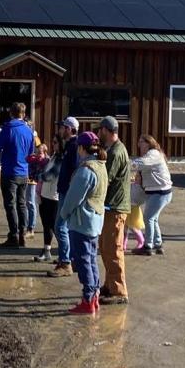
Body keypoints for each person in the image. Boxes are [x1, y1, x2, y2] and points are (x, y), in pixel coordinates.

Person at [59, 131, 107, 315]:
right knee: (91, 259)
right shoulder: (101, 166)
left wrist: (64, 214)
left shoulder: (86, 170)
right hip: (95, 220)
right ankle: (93, 296)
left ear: (81, 148)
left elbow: (73, 198)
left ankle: (88, 299)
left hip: (82, 222)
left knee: (84, 261)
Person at [97, 116, 132, 304]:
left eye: (100, 130)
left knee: (113, 249)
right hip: (110, 206)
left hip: (116, 207)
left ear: (106, 130)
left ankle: (119, 291)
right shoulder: (113, 149)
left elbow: (105, 179)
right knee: (104, 247)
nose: (98, 134)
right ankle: (110, 284)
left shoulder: (116, 152)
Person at [0, 102, 35, 248]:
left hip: (10, 171)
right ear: (23, 114)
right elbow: (31, 152)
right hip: (23, 171)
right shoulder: (29, 130)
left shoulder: (8, 128)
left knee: (10, 204)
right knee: (21, 203)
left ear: (11, 113)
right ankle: (23, 233)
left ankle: (14, 235)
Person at [132, 134, 173, 256]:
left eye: (141, 142)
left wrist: (124, 164)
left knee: (148, 218)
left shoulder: (153, 154)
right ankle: (158, 244)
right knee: (153, 219)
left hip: (160, 193)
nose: (139, 144)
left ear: (149, 143)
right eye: (138, 142)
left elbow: (139, 164)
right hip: (158, 192)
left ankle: (148, 246)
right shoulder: (151, 155)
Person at [50, 117, 80, 275]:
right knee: (67, 228)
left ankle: (65, 263)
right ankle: (70, 258)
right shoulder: (69, 145)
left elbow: (76, 171)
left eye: (62, 127)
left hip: (67, 192)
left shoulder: (74, 146)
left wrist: (70, 190)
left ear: (69, 129)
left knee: (60, 226)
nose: (60, 130)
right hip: (64, 190)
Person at [32, 139, 62, 263]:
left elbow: (51, 175)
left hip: (54, 197)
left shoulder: (61, 159)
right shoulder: (53, 157)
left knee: (56, 227)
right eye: (53, 142)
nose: (53, 144)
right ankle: (46, 251)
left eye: (56, 142)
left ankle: (65, 253)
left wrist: (37, 176)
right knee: (46, 225)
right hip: (45, 195)